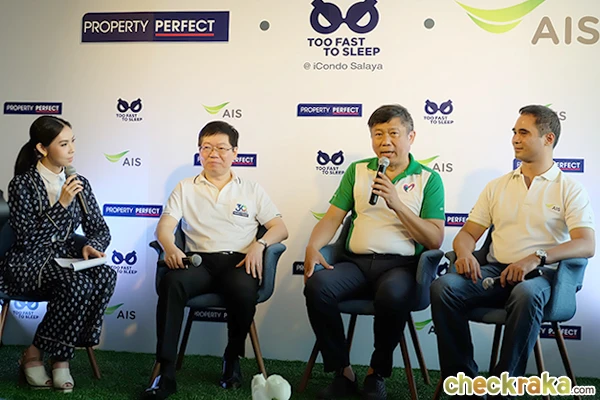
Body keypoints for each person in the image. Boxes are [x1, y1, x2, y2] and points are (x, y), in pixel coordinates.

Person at [430, 105, 595, 399]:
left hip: (543, 277)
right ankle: (464, 384)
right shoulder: (497, 187)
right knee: (444, 287)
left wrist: (536, 257)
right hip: (495, 273)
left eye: (524, 132)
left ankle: (502, 388)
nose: (515, 139)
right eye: (514, 132)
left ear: (548, 139)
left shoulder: (569, 188)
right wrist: (465, 254)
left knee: (527, 293)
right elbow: (467, 234)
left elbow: (586, 244)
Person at [303, 104, 445, 400]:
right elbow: (332, 218)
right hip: (355, 263)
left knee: (393, 295)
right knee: (318, 287)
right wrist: (313, 247)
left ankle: (375, 373)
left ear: (411, 137)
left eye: (393, 133)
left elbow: (434, 240)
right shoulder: (357, 171)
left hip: (401, 267)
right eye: (378, 134)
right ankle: (343, 372)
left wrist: (396, 203)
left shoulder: (428, 179)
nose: (385, 141)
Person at [142, 121, 288, 399]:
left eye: (221, 148)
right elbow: (165, 226)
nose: (213, 154)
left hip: (239, 262)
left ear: (235, 153)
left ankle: (232, 358)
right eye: (206, 148)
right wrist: (170, 247)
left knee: (244, 290)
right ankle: (166, 372)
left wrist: (259, 245)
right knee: (172, 283)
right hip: (199, 262)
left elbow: (280, 228)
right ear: (199, 152)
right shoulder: (185, 187)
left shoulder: (251, 189)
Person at [1, 116, 116, 392]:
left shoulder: (79, 182)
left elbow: (100, 228)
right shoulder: (22, 184)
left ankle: (51, 351)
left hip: (64, 257)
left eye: (72, 141)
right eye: (63, 144)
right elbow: (28, 240)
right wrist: (62, 205)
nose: (71, 149)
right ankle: (52, 358)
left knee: (106, 276)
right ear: (42, 148)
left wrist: (91, 245)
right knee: (77, 284)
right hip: (28, 261)